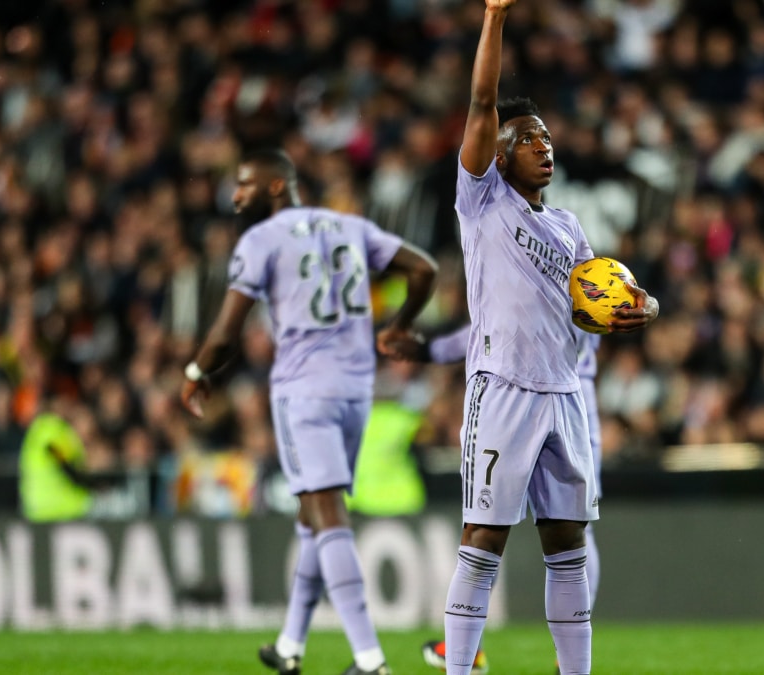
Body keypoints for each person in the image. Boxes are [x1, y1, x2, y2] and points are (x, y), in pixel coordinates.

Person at [439, 2, 658, 673]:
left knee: (568, 544)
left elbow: (610, 294)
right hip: (502, 387)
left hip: (564, 394)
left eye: (549, 140)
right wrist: (495, 17)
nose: (546, 147)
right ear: (500, 153)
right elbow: (481, 99)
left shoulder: (568, 227)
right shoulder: (481, 202)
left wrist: (643, 307)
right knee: (484, 540)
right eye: (530, 139)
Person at [179, 149, 439, 675]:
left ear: (277, 186)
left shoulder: (260, 240)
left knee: (326, 515)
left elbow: (227, 331)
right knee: (312, 516)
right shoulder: (349, 226)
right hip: (355, 388)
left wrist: (195, 374)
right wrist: (399, 324)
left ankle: (370, 661)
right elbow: (423, 269)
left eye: (245, 184)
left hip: (303, 390)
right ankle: (291, 645)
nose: (235, 196)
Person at [400, 328, 605, 674]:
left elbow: (503, 321)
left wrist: (431, 350)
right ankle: (485, 650)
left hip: (529, 391)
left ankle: (480, 650)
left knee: (512, 532)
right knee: (545, 533)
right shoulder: (585, 273)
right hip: (574, 398)